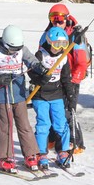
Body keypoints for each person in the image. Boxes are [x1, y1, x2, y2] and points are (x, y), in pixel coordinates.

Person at [0, 25, 51, 172]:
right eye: (13, 49)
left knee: (24, 125)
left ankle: (30, 155)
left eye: (18, 49)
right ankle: (5, 158)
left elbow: (33, 62)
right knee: (6, 127)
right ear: (5, 43)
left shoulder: (22, 50)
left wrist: (40, 68)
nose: (15, 52)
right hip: (3, 96)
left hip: (19, 95)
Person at [40, 3, 87, 153]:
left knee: (68, 111)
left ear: (66, 19)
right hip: (52, 79)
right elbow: (41, 57)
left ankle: (75, 141)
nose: (56, 22)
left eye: (60, 19)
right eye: (53, 19)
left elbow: (81, 62)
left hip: (70, 78)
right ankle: (53, 140)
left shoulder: (75, 36)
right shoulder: (47, 34)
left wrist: (74, 80)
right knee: (52, 110)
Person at [28, 26, 76, 169]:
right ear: (49, 42)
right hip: (40, 95)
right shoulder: (40, 55)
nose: (59, 48)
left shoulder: (64, 57)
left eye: (63, 45)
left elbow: (66, 78)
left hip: (56, 94)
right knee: (44, 124)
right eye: (56, 45)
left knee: (60, 124)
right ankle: (41, 153)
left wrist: (71, 95)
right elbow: (31, 73)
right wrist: (39, 79)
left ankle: (62, 151)